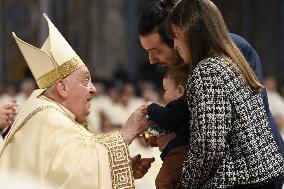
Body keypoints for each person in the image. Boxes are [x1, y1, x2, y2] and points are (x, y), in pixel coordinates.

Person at [0, 13, 155, 189]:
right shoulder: (47, 117)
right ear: (62, 87)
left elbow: (74, 167)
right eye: (85, 81)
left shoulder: (57, 114)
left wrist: (119, 167)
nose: (93, 88)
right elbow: (73, 176)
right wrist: (128, 132)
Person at [138, 0, 284, 157]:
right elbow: (187, 119)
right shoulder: (184, 66)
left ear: (177, 37)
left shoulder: (227, 52)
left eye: (155, 51)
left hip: (252, 164)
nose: (152, 60)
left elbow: (216, 133)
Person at [166, 0, 284, 188]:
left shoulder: (208, 70)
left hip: (237, 182)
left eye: (176, 36)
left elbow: (209, 148)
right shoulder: (232, 60)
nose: (175, 46)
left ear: (192, 33)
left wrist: (185, 182)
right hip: (264, 177)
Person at [144, 63, 189, 189]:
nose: (164, 95)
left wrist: (151, 107)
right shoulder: (178, 111)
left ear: (180, 91)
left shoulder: (180, 106)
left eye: (165, 90)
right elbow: (166, 129)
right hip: (177, 152)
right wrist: (148, 135)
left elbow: (167, 120)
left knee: (163, 181)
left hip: (180, 152)